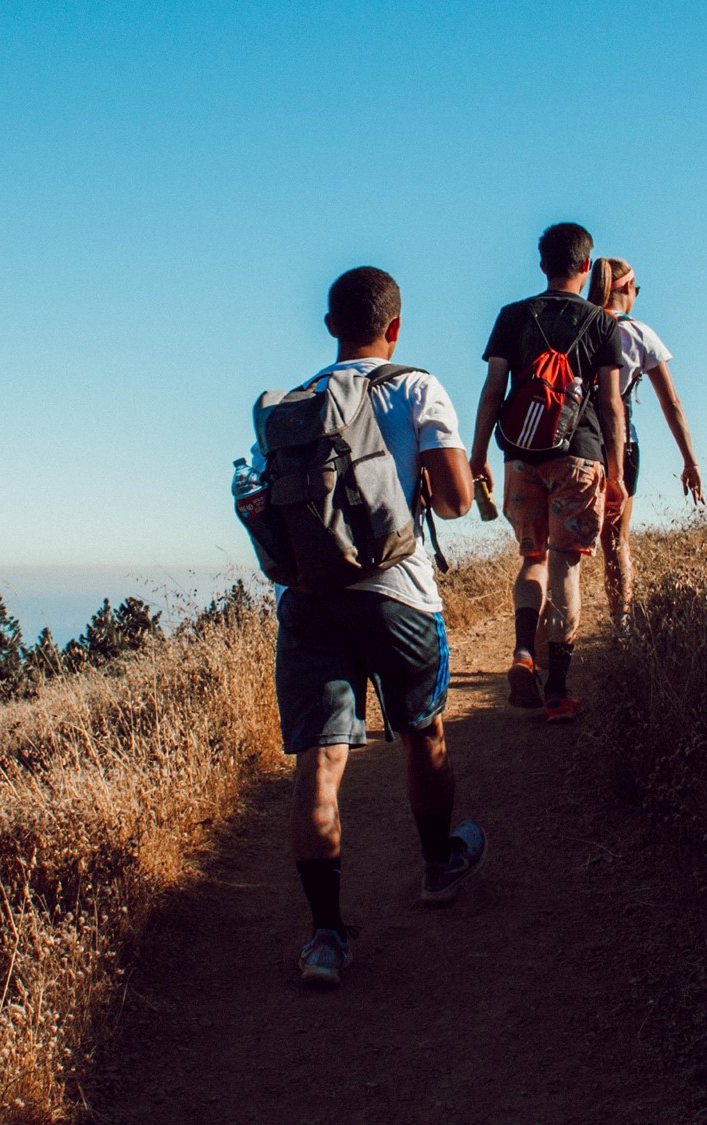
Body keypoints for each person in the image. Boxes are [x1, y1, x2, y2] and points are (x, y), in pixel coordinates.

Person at [256, 266, 486, 988]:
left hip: (311, 597)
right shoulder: (418, 386)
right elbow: (452, 503)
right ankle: (438, 864)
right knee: (423, 730)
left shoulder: (293, 406)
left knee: (319, 766)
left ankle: (325, 938)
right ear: (396, 326)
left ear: (330, 325)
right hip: (398, 595)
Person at [471, 223, 626, 724]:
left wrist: (477, 457)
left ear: (542, 265)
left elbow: (493, 390)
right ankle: (558, 691)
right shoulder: (604, 325)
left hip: (520, 456)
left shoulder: (512, 316)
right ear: (587, 266)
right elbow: (610, 405)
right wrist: (617, 473)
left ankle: (522, 652)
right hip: (579, 457)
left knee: (532, 558)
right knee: (566, 565)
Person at [585, 257, 704, 632]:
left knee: (565, 543)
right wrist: (690, 461)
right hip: (622, 445)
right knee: (616, 541)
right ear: (625, 289)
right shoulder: (639, 334)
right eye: (636, 289)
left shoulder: (581, 325)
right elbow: (672, 403)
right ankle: (622, 626)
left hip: (578, 444)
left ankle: (551, 634)